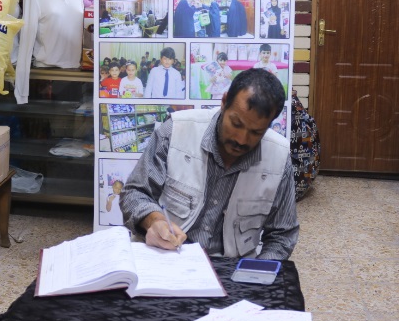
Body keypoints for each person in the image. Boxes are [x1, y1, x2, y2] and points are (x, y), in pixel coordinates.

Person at [120, 68, 299, 260]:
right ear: (224, 102)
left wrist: (257, 271)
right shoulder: (176, 131)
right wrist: (154, 220)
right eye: (236, 123)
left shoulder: (278, 158)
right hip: (168, 256)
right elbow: (134, 193)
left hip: (233, 266)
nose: (241, 139)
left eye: (256, 132)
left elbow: (282, 235)